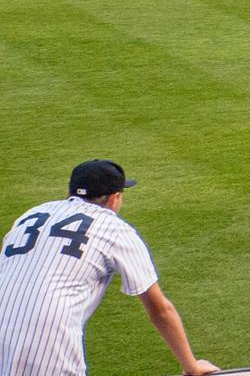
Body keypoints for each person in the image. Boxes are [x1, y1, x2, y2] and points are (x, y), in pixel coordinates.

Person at [0, 160, 218, 376]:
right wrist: (192, 367)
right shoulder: (113, 228)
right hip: (47, 340)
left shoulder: (31, 214)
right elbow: (159, 309)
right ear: (115, 197)